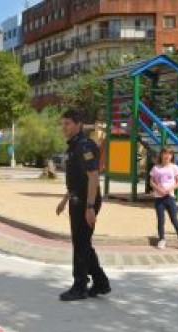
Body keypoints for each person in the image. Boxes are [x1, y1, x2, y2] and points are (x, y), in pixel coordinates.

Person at [56, 109, 110, 301]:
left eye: (68, 123)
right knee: (83, 243)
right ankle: (101, 282)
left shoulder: (85, 146)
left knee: (80, 244)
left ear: (79, 124)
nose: (64, 127)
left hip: (87, 201)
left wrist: (89, 207)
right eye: (63, 124)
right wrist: (64, 201)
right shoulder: (74, 146)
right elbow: (76, 179)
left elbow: (93, 177)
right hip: (77, 200)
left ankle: (80, 286)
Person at [150, 148, 178, 250]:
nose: (167, 156)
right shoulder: (156, 168)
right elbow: (151, 182)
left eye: (170, 154)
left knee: (174, 219)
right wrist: (158, 189)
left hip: (170, 197)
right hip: (158, 198)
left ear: (172, 156)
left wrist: (170, 188)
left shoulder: (174, 167)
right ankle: (162, 240)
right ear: (161, 155)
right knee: (161, 220)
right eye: (165, 153)